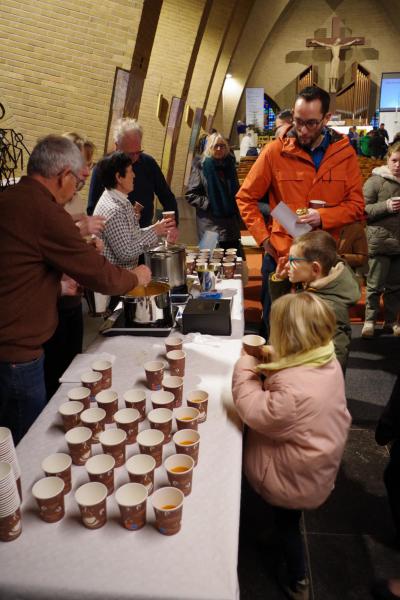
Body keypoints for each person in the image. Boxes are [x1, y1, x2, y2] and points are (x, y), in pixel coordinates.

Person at [0, 135, 151, 445]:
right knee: (25, 447)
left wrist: (55, 285)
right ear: (63, 175)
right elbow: (100, 275)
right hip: (17, 356)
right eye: (77, 183)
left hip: (9, 349)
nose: (74, 193)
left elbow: (15, 273)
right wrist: (136, 277)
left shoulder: (11, 198)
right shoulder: (44, 210)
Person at [232, 292, 351, 600]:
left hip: (294, 477)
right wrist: (274, 357)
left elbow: (252, 408)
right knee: (287, 517)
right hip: (312, 463)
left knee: (288, 527)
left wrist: (245, 366)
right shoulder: (324, 356)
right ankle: (281, 527)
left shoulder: (295, 394)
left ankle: (298, 579)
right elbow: (294, 365)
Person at [236, 85, 364, 336]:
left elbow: (357, 207)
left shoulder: (344, 153)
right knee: (277, 329)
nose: (302, 130)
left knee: (320, 334)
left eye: (311, 123)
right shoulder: (275, 151)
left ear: (327, 119)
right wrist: (263, 238)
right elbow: (245, 197)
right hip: (282, 257)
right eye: (297, 121)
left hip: (322, 262)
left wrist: (323, 217)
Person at [43, 132, 107, 400]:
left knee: (75, 362)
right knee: (55, 370)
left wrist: (90, 242)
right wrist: (81, 227)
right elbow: (48, 236)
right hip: (54, 297)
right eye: (84, 163)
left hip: (73, 293)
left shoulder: (74, 197)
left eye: (89, 164)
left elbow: (73, 240)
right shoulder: (49, 197)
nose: (86, 171)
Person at [270, 230, 360, 372]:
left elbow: (336, 359)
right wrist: (280, 280)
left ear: (315, 268)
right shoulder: (311, 284)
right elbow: (285, 313)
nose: (287, 265)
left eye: (293, 260)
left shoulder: (329, 309)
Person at [87, 118, 178, 228]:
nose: (135, 158)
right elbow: (93, 209)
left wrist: (173, 225)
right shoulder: (103, 168)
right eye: (130, 154)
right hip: (115, 233)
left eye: (138, 152)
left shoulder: (149, 163)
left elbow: (167, 196)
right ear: (117, 146)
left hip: (144, 228)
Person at [93, 151, 176, 269]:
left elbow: (132, 236)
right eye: (130, 171)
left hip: (122, 278)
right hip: (113, 282)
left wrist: (157, 229)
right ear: (118, 177)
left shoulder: (122, 200)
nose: (134, 175)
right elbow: (126, 252)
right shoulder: (113, 210)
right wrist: (154, 232)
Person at [362, 142, 400, 337]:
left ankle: (391, 321)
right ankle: (369, 321)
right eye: (394, 160)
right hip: (380, 242)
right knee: (375, 286)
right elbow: (363, 211)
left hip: (398, 244)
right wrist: (386, 206)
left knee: (395, 287)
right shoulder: (375, 182)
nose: (398, 165)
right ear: (387, 160)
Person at [185, 132, 244, 256]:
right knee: (210, 266)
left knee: (232, 264)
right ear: (209, 148)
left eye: (222, 146)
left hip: (230, 226)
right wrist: (210, 203)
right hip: (210, 225)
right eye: (215, 146)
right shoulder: (201, 166)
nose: (219, 149)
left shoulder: (230, 166)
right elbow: (190, 195)